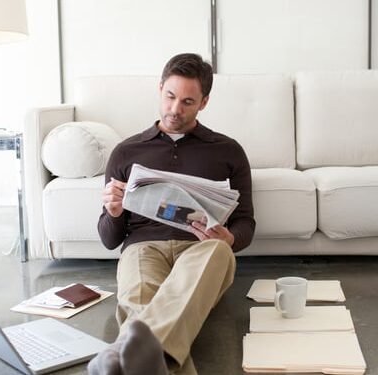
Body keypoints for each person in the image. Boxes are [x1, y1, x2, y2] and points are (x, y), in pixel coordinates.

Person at [88, 53, 255, 375]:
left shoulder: (228, 150)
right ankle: (144, 360)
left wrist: (231, 237)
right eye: (170, 97)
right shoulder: (126, 151)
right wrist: (113, 210)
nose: (175, 109)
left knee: (218, 253)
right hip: (144, 247)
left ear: (204, 102)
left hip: (202, 247)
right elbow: (109, 240)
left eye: (187, 102)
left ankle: (120, 354)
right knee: (139, 296)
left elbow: (246, 220)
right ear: (160, 88)